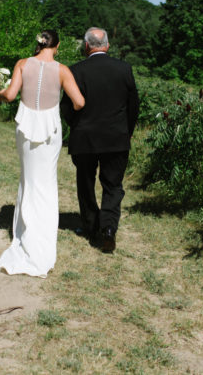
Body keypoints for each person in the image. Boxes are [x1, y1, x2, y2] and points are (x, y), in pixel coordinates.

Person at [0, 30, 85, 277]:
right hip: (49, 130)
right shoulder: (63, 70)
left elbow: (10, 95)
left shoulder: (22, 64)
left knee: (28, 179)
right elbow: (79, 103)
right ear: (57, 46)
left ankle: (25, 234)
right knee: (45, 181)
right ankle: (41, 238)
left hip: (25, 126)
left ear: (38, 44)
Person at [60, 27, 139, 253]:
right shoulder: (124, 69)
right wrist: (128, 131)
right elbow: (133, 105)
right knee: (113, 185)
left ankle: (91, 226)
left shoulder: (75, 70)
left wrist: (76, 127)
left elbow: (66, 106)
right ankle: (108, 229)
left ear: (86, 46)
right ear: (107, 45)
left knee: (85, 184)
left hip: (84, 137)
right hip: (116, 137)